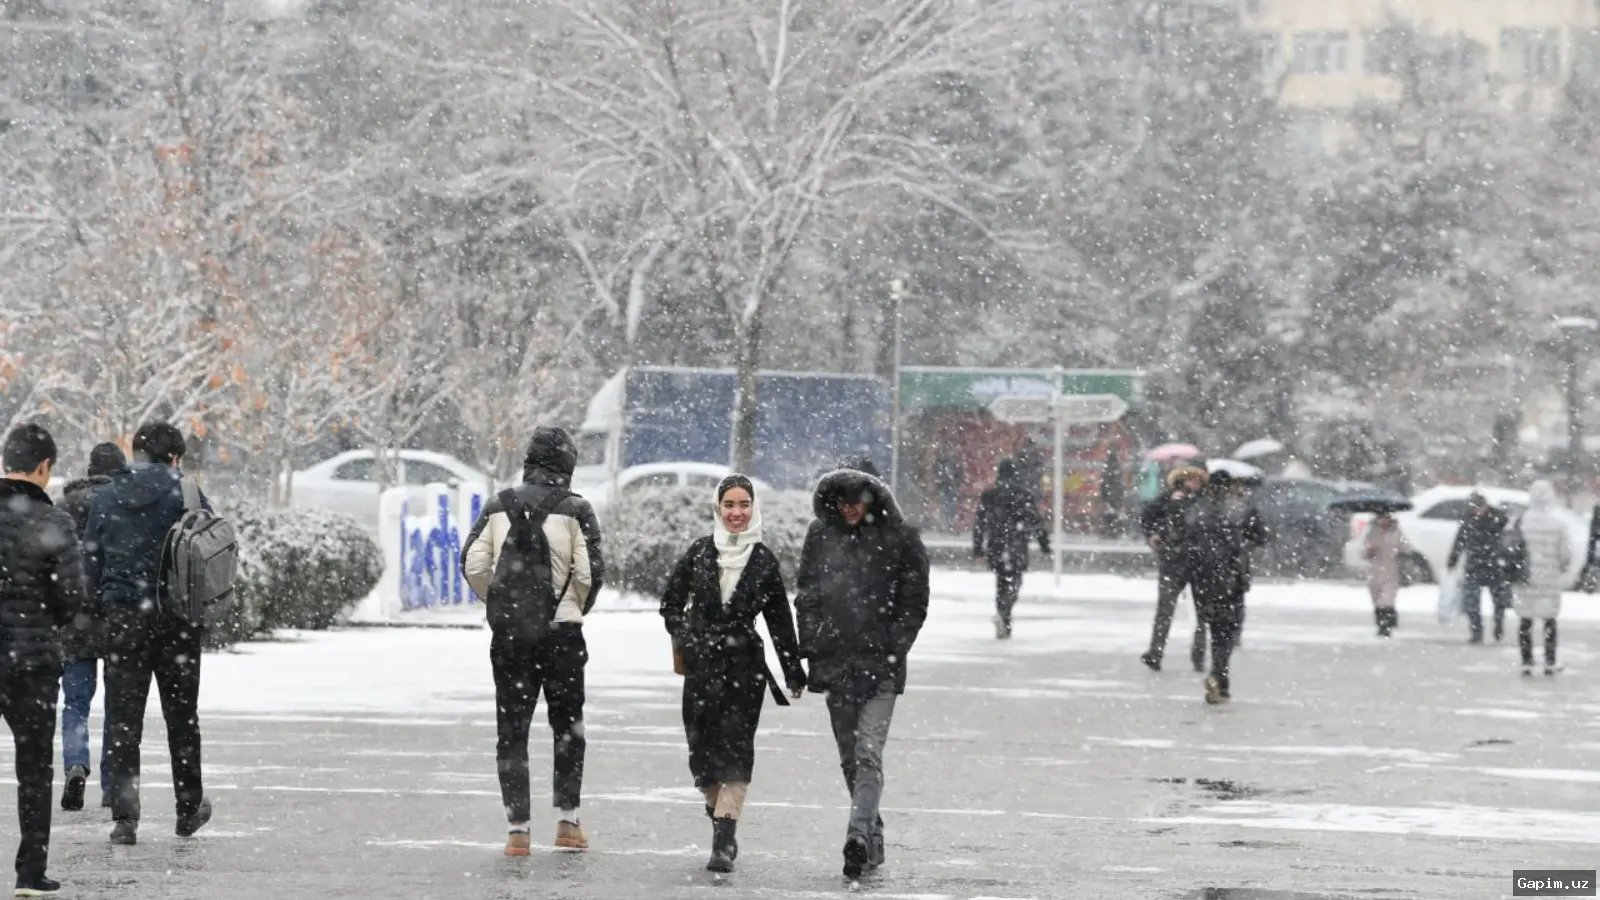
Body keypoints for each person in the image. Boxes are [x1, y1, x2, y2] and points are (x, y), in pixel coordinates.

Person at [462, 427, 605, 856]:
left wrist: (503, 603)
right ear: (567, 465)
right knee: (567, 726)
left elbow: (472, 563)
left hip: (511, 639)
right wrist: (571, 608)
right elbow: (589, 574)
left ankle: (518, 830)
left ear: (529, 460)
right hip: (562, 636)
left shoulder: (498, 505)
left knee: (512, 730)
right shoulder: (577, 509)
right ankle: (567, 822)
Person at [659, 475, 806, 873]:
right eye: (729, 505)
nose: (737, 512)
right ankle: (722, 818)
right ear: (717, 508)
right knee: (702, 757)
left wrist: (792, 670)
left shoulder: (764, 561)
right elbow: (670, 604)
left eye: (744, 504)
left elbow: (779, 620)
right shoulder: (699, 553)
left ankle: (722, 842)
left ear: (754, 508)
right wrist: (686, 637)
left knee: (736, 753)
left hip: (744, 668)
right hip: (702, 668)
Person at [795, 464, 929, 880]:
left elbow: (914, 601)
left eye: (856, 500)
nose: (848, 509)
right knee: (850, 758)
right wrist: (812, 643)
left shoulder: (902, 538)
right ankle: (872, 834)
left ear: (872, 498)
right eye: (840, 501)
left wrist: (893, 648)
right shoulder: (821, 535)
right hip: (835, 664)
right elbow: (808, 594)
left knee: (868, 752)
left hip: (880, 667)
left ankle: (856, 834)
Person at [84, 422, 214, 846]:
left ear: (135, 453)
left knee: (123, 719)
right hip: (177, 619)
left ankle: (125, 817)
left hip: (124, 619)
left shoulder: (104, 496)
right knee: (182, 717)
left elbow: (90, 563)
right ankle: (188, 807)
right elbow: (209, 552)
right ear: (175, 457)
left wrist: (100, 608)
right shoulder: (189, 493)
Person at [0, 424, 86, 896]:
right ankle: (29, 873)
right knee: (33, 767)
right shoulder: (56, 524)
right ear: (45, 467)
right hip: (31, 662)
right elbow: (72, 598)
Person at [57, 442, 125, 812]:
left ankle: (76, 766)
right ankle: (113, 783)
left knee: (76, 704)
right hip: (119, 616)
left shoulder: (64, 507)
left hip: (75, 619)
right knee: (118, 705)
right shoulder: (124, 504)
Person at [1181, 472, 1253, 704]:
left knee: (1212, 626)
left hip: (1203, 577)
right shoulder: (1240, 508)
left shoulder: (1197, 509)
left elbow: (1186, 539)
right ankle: (1219, 676)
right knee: (1228, 630)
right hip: (1232, 577)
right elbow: (1260, 535)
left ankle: (1217, 675)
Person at [1139, 466, 1208, 672]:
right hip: (1172, 560)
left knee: (1200, 612)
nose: (1192, 482)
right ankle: (1155, 652)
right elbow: (1148, 519)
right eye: (1188, 478)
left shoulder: (1205, 502)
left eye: (1196, 479)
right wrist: (1153, 535)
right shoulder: (1167, 500)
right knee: (1164, 610)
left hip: (1198, 563)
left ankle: (1198, 653)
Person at [973, 458, 1050, 639]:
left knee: (1001, 582)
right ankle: (1005, 612)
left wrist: (978, 548)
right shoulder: (1023, 494)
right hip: (1017, 543)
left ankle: (1003, 614)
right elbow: (1035, 521)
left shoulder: (990, 495)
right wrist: (1044, 544)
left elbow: (980, 524)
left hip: (997, 544)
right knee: (1015, 582)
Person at [1514, 481, 1571, 676]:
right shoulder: (1558, 524)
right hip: (1549, 577)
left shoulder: (1522, 521)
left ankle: (1526, 660)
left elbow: (1511, 547)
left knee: (1525, 620)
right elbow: (1566, 555)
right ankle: (1549, 660)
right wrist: (1561, 567)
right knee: (1549, 620)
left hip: (1526, 576)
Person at [1446, 492, 1512, 644]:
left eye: (1478, 508)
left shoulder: (1498, 519)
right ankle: (1476, 631)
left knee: (1499, 601)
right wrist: (1452, 560)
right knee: (1471, 601)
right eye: (1473, 508)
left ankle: (1498, 625)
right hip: (1474, 565)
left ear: (1485, 506)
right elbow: (1459, 541)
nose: (1476, 511)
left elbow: (1507, 537)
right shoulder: (1468, 520)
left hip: (1494, 565)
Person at [1364, 513, 1409, 637]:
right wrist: (1369, 550)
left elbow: (1405, 547)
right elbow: (1365, 550)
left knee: (1387, 600)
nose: (1382, 521)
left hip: (1391, 571)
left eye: (1385, 518)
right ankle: (1381, 624)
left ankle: (1386, 626)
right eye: (1380, 518)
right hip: (1375, 572)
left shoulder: (1396, 532)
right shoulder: (1372, 532)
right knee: (1377, 600)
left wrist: (1401, 553)